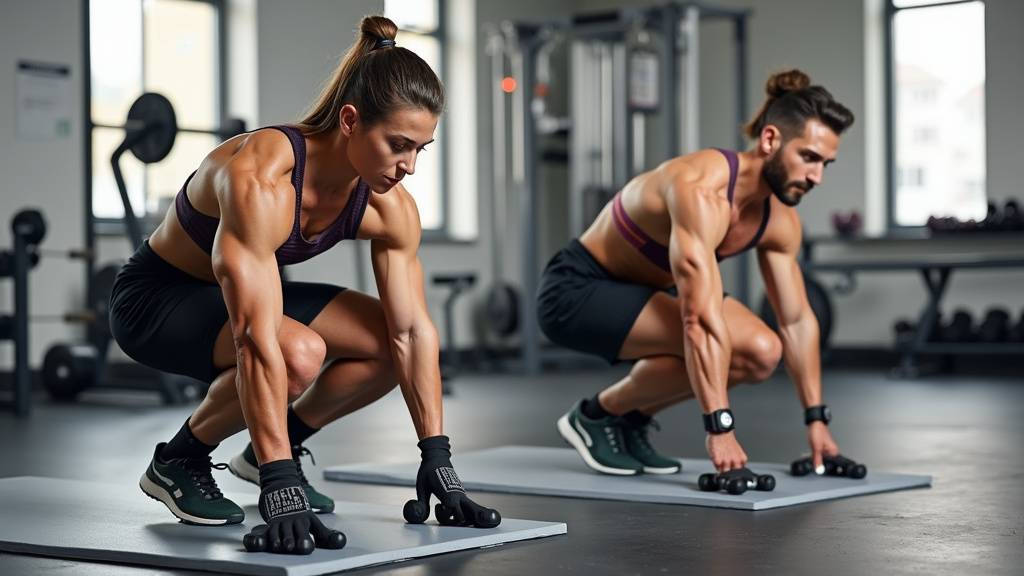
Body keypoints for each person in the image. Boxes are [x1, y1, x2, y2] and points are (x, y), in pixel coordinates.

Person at [110, 15, 499, 555]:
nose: (408, 165)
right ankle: (179, 459)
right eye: (397, 144)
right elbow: (255, 338)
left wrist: (437, 456)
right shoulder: (261, 177)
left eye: (420, 149)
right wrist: (281, 484)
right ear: (349, 120)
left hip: (232, 298)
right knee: (299, 352)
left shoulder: (389, 206)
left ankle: (281, 440)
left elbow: (412, 332)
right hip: (156, 300)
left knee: (385, 339)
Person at [537, 69, 855, 478]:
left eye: (825, 164)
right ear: (771, 139)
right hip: (576, 292)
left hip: (646, 293)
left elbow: (796, 321)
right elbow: (698, 319)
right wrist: (719, 426)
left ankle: (612, 416)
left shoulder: (779, 221)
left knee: (761, 352)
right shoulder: (700, 188)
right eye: (809, 158)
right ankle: (598, 416)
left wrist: (817, 420)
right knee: (716, 337)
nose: (817, 177)